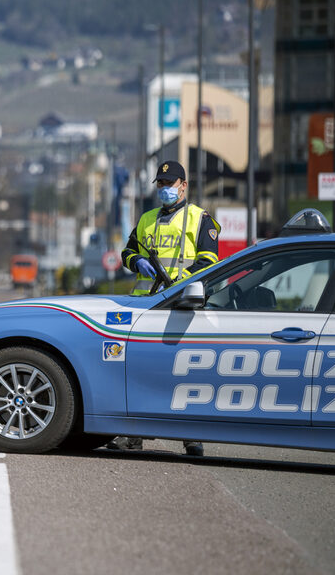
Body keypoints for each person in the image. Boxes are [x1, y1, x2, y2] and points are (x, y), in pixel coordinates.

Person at [109, 160, 220, 457]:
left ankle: (191, 436)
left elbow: (209, 262)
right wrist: (136, 262)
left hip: (184, 304)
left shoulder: (200, 219)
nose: (164, 188)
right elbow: (128, 251)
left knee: (186, 372)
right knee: (139, 370)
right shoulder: (146, 219)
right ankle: (132, 434)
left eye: (169, 183)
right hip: (147, 305)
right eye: (160, 183)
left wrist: (179, 284)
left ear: (184, 185)